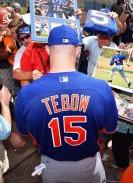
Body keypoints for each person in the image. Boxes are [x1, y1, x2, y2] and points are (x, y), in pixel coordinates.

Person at [15, 25, 118, 183]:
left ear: (48, 50)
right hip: (88, 165)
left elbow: (25, 132)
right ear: (77, 50)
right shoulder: (101, 88)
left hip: (52, 165)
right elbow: (109, 129)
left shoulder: (26, 93)